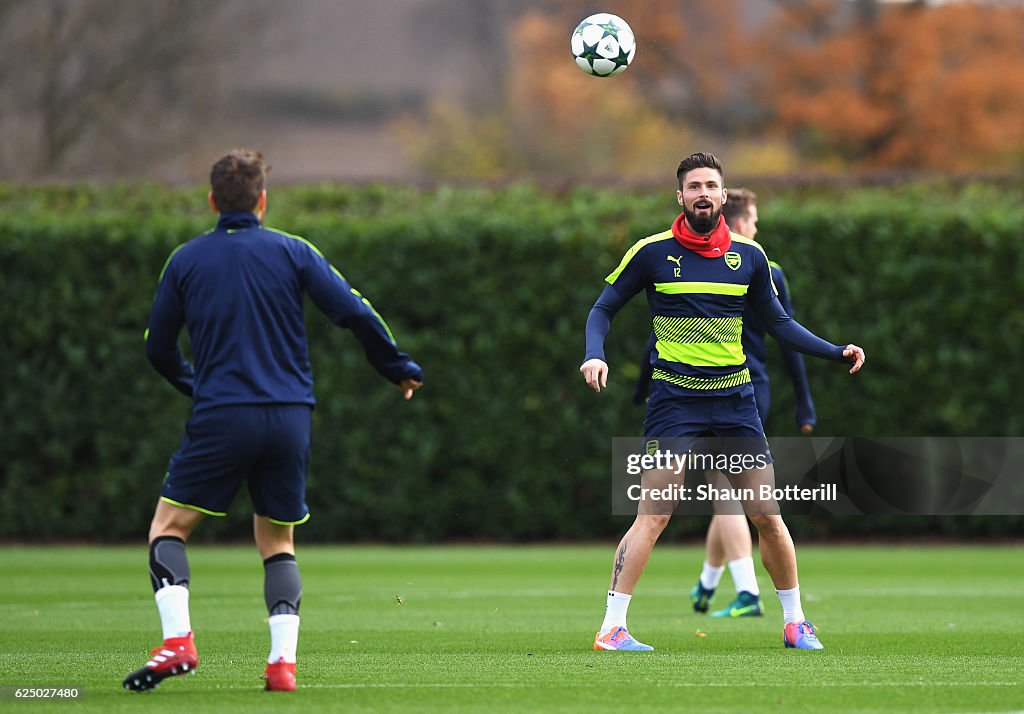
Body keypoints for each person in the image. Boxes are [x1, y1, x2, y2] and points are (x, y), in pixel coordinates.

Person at [124, 149, 423, 692]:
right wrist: (397, 366)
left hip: (222, 413)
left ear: (213, 201)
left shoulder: (186, 260)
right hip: (290, 417)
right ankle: (282, 665)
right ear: (263, 200)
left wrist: (197, 386)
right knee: (278, 541)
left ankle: (178, 643)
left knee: (168, 528)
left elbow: (157, 348)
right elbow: (355, 311)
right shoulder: (293, 251)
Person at [581, 152, 864, 652]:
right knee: (654, 514)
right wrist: (593, 354)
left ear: (722, 193)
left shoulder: (750, 258)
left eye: (711, 185)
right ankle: (612, 627)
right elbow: (603, 308)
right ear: (681, 196)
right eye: (694, 186)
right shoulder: (652, 252)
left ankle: (796, 622)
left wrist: (835, 351)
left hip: (736, 401)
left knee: (767, 515)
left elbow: (778, 325)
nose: (704, 193)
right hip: (675, 402)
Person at [633, 188, 818, 619]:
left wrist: (641, 386)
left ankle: (748, 591)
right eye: (753, 221)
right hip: (716, 389)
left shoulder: (760, 267)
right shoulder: (752, 265)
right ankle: (710, 581)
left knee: (731, 495)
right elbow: (664, 331)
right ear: (737, 224)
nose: (757, 229)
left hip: (737, 393)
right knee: (728, 492)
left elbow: (785, 331)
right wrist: (804, 403)